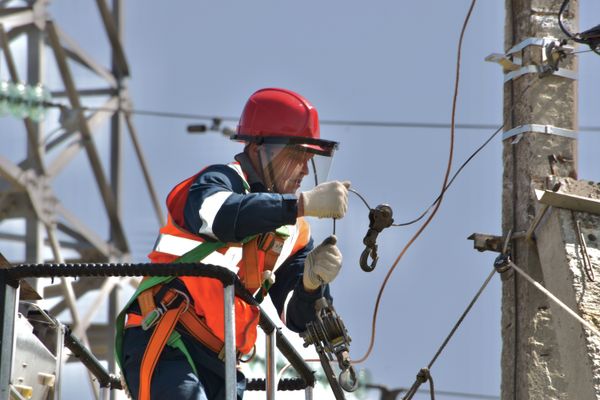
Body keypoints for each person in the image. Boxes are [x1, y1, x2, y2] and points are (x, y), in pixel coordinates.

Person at [115, 87, 350, 400]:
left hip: (221, 364)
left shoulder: (294, 234)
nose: (305, 169)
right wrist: (299, 205)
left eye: (310, 158)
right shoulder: (218, 182)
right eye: (296, 156)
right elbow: (220, 217)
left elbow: (297, 317)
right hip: (167, 335)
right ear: (259, 150)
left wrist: (311, 285)